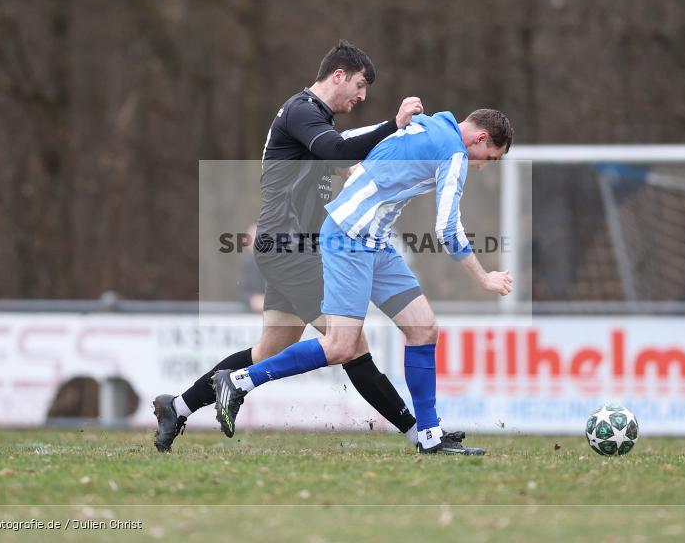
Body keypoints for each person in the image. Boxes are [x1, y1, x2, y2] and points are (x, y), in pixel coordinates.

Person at [153, 40, 459, 452]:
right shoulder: (302, 111)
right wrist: (394, 125)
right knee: (348, 344)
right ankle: (420, 434)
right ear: (338, 75)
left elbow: (343, 159)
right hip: (289, 247)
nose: (362, 96)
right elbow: (335, 149)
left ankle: (179, 406)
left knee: (270, 349)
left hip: (292, 247)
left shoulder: (317, 121)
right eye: (361, 84)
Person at [212, 108, 514, 455]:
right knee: (341, 346)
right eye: (489, 158)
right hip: (349, 238)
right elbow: (447, 229)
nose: (483, 165)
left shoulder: (424, 123)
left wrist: (354, 170)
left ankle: (430, 436)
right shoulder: (455, 153)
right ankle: (238, 381)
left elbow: (345, 141)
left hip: (376, 241)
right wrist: (483, 277)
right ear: (480, 139)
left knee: (423, 328)